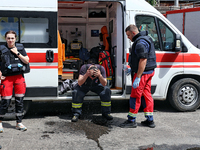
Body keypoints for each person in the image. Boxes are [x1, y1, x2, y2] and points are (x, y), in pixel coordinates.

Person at [119, 25, 157, 128]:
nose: (128, 37)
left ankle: (131, 121)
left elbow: (143, 60)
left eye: (128, 35)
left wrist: (138, 76)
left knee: (135, 96)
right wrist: (132, 68)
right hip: (148, 72)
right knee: (147, 95)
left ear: (133, 33)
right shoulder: (146, 39)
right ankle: (150, 120)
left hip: (143, 74)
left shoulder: (140, 43)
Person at [0, 30, 30, 133]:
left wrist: (17, 52)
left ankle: (19, 123)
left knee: (19, 101)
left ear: (15, 39)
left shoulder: (20, 48)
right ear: (5, 38)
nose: (10, 40)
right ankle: (0, 123)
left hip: (19, 78)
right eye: (8, 38)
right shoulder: (1, 49)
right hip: (7, 78)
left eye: (12, 38)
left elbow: (26, 60)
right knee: (5, 101)